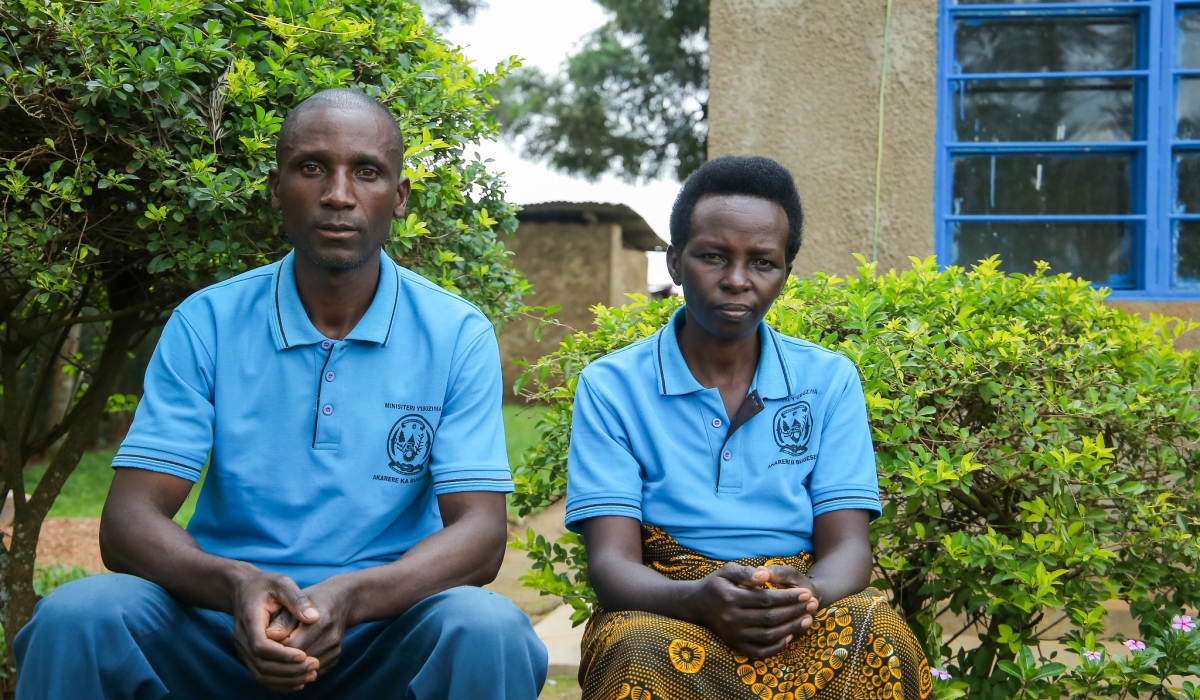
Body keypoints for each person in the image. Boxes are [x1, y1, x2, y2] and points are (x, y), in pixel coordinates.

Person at [14, 89, 547, 699]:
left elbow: (480, 535)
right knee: (78, 617)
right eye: (312, 167)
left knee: (488, 628)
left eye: (367, 172)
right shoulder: (207, 322)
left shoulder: (455, 334)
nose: (338, 195)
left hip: (383, 632)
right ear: (275, 188)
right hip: (221, 632)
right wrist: (237, 585)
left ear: (399, 198)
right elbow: (128, 521)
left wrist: (354, 596)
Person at [565, 156, 931, 699]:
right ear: (674, 262)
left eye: (762, 262)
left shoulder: (828, 380)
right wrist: (697, 599)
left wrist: (805, 593)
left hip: (799, 602)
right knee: (635, 650)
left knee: (880, 633)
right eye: (713, 257)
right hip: (667, 604)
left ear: (786, 271)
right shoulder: (612, 386)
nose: (737, 280)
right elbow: (612, 564)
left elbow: (849, 546)